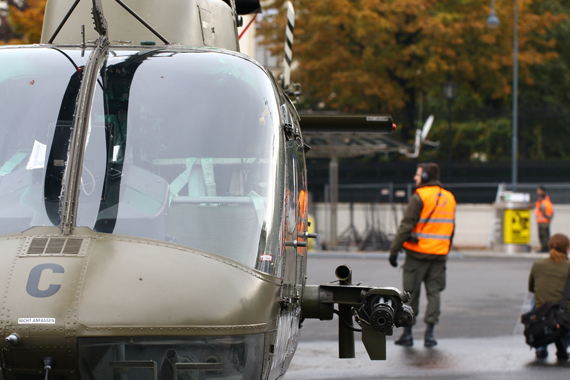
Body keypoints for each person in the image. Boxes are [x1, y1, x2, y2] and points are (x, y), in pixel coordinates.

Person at [388, 163, 456, 347]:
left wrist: (394, 251)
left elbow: (406, 225)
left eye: (417, 175)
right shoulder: (450, 198)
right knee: (434, 294)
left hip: (417, 255)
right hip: (439, 255)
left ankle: (408, 334)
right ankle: (430, 335)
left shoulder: (420, 197)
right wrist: (444, 250)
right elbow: (451, 229)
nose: (415, 178)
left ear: (425, 176)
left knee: (410, 294)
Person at [528, 233, 570, 360]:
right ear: (567, 249)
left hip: (542, 315)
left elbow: (531, 288)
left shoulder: (538, 264)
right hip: (564, 316)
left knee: (534, 300)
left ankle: (541, 346)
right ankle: (564, 342)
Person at [534, 186, 553, 253]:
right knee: (544, 235)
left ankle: (545, 248)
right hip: (542, 220)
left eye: (539, 191)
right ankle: (545, 247)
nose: (537, 192)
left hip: (543, 221)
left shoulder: (543, 201)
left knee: (544, 235)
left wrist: (547, 217)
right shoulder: (543, 201)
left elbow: (545, 211)